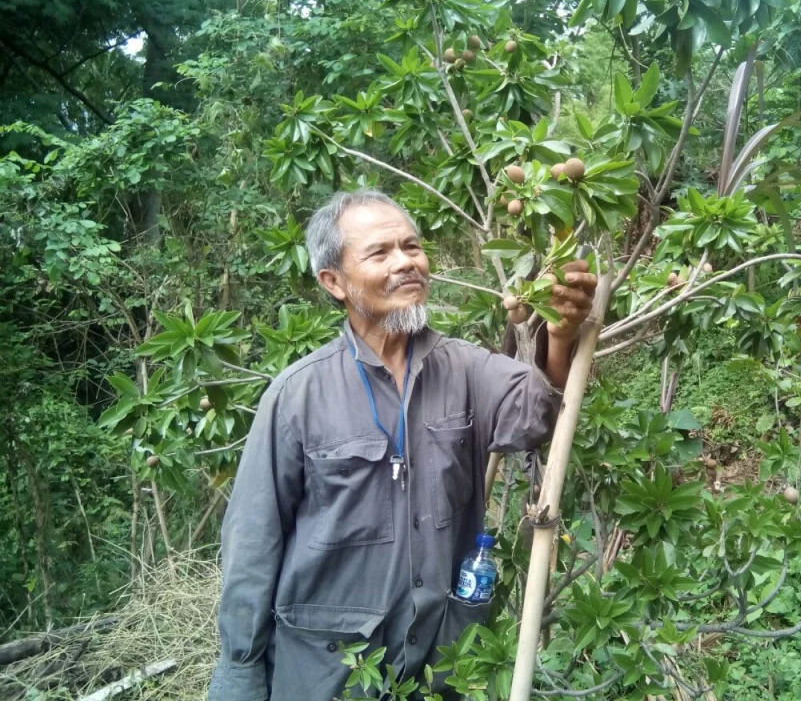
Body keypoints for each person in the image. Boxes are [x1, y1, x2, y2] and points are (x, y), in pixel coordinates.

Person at [208, 190, 597, 701]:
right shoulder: (296, 395)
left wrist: (561, 333)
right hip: (327, 675)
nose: (406, 263)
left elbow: (533, 417)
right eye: (380, 253)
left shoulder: (464, 367)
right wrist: (239, 679)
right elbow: (253, 547)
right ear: (334, 283)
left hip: (439, 667)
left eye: (412, 247)